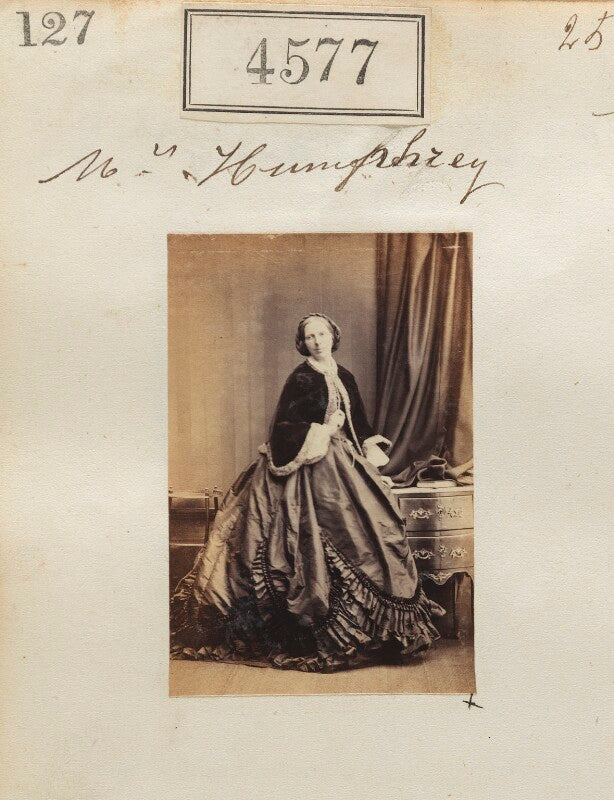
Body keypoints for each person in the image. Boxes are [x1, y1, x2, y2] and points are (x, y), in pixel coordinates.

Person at [170, 313, 444, 672]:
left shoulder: (345, 375)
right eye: (310, 336)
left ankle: (376, 634)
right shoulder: (300, 378)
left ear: (333, 336)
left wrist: (367, 442)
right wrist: (325, 429)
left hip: (343, 462)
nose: (317, 341)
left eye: (322, 334)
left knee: (375, 528)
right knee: (299, 540)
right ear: (303, 342)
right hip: (306, 465)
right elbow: (283, 427)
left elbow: (359, 422)